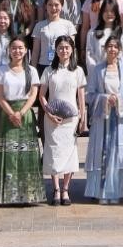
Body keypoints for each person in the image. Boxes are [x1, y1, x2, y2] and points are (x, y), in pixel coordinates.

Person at [0, 37, 44, 206]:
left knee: (25, 153)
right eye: (14, 48)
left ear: (26, 50)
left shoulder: (32, 71)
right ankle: (7, 195)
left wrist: (21, 112)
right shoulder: (2, 70)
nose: (17, 51)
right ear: (9, 50)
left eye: (20, 48)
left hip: (25, 114)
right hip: (6, 115)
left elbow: (33, 95)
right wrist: (12, 113)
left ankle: (27, 195)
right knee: (8, 154)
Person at [84, 35, 123, 205]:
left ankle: (115, 192)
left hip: (119, 117)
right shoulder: (98, 69)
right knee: (101, 153)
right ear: (105, 49)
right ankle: (101, 192)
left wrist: (119, 98)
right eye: (110, 46)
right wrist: (105, 98)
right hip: (102, 117)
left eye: (115, 46)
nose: (112, 49)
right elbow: (90, 94)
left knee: (117, 153)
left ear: (119, 50)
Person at [40, 35, 87, 206]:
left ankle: (65, 188)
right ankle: (56, 189)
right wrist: (49, 112)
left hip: (71, 119)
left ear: (72, 50)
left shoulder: (78, 71)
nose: (64, 50)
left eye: (67, 47)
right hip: (52, 118)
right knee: (53, 152)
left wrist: (82, 118)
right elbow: (42, 95)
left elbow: (81, 97)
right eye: (60, 47)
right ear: (56, 50)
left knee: (69, 153)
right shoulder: (49, 70)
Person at [32, 0, 77, 75]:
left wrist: (72, 66)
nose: (53, 8)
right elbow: (35, 51)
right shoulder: (39, 26)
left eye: (56, 5)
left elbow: (72, 49)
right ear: (45, 6)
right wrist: (33, 71)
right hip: (43, 65)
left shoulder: (68, 25)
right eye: (50, 5)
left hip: (63, 66)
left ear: (61, 6)